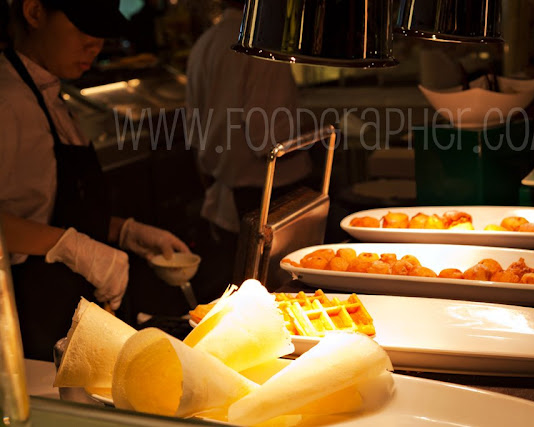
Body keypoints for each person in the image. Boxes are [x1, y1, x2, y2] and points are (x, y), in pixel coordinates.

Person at [0, 0, 190, 361]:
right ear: (34, 12)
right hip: (30, 321)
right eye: (84, 29)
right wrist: (75, 247)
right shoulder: (7, 101)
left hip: (72, 312)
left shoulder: (51, 93)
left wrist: (122, 231)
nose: (96, 44)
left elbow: (46, 207)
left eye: (102, 32)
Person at [186, 0, 311, 287]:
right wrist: (317, 136)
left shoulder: (205, 43)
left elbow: (194, 134)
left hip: (223, 199)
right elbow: (268, 139)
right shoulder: (261, 43)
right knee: (277, 297)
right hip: (268, 201)